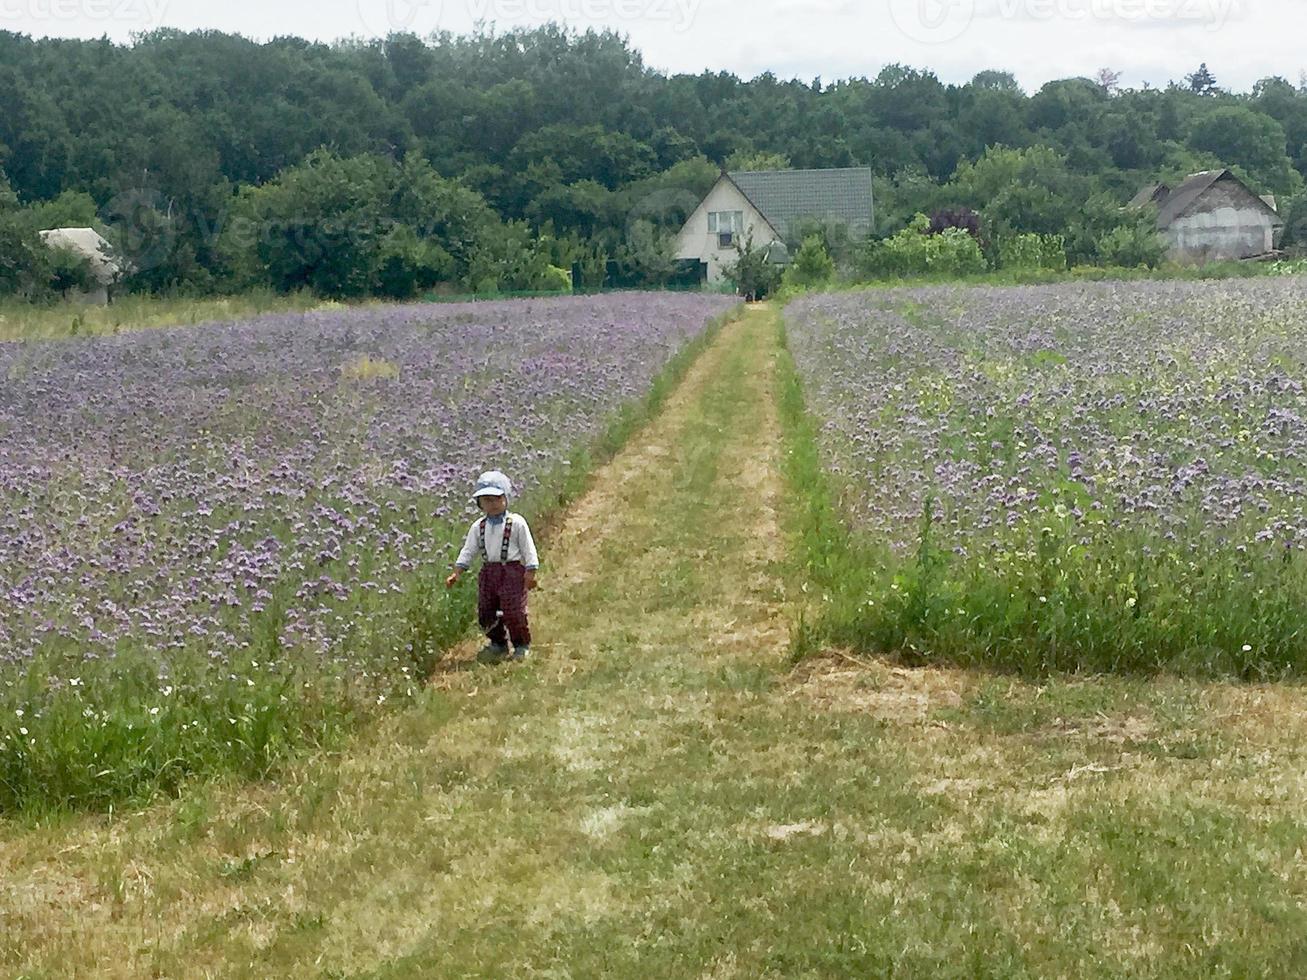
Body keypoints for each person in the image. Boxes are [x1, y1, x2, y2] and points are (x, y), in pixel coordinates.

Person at [445, 471, 539, 662]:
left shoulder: (517, 523)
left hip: (512, 571)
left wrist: (530, 571)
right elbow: (468, 550)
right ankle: (498, 643)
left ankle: (521, 644)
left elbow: (528, 548)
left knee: (514, 610)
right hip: (489, 572)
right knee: (486, 610)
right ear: (479, 504)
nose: (492, 504)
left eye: (496, 499)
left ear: (506, 498)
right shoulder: (478, 527)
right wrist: (457, 572)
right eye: (486, 500)